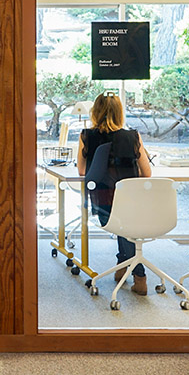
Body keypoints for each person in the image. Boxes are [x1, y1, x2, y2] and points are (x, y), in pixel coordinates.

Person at [76, 93, 153, 295]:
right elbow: (147, 173)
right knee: (126, 220)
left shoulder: (86, 136)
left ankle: (132, 270)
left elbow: (82, 172)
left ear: (95, 112)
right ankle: (132, 270)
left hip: (104, 204)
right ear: (120, 113)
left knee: (120, 221)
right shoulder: (133, 136)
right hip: (131, 203)